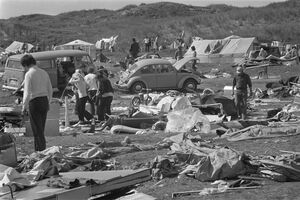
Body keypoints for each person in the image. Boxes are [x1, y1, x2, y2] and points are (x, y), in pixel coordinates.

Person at [21, 54, 53, 151]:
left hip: (34, 102)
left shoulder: (29, 74)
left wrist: (23, 107)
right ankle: (40, 149)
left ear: (26, 65)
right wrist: (49, 102)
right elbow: (50, 89)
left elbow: (26, 93)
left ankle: (40, 151)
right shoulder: (44, 72)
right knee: (40, 128)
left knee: (37, 129)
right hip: (44, 100)